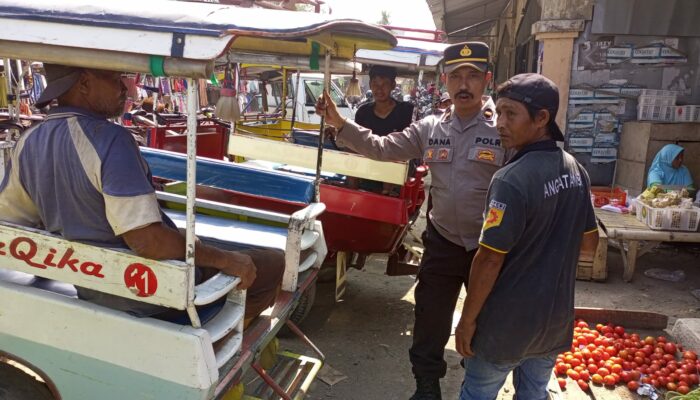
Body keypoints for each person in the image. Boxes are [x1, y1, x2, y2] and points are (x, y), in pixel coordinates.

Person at [0, 64, 283, 324]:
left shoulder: (27, 141)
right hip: (144, 289)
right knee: (272, 262)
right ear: (84, 83)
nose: (126, 88)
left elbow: (13, 221)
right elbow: (148, 242)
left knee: (209, 245)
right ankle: (215, 348)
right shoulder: (110, 139)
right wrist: (225, 260)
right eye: (116, 79)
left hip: (88, 282)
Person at [317, 42, 505, 400]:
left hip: (489, 248)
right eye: (456, 77)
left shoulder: (504, 127)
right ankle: (427, 386)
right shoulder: (431, 127)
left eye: (473, 76)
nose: (464, 84)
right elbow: (383, 148)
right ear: (445, 80)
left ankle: (476, 383)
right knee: (429, 320)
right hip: (443, 241)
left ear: (486, 81)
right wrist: (340, 124)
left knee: (487, 320)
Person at [454, 73, 600, 400]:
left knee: (478, 393)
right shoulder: (577, 171)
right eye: (499, 113)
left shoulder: (510, 180)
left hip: (505, 325)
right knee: (534, 394)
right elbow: (590, 245)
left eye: (510, 114)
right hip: (552, 322)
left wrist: (467, 322)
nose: (499, 124)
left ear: (542, 119)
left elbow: (490, 258)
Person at [353, 65, 414, 195]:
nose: (379, 89)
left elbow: (410, 147)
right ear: (370, 85)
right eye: (375, 84)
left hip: (397, 176)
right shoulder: (363, 112)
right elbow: (356, 143)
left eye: (384, 84)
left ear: (393, 85)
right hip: (367, 171)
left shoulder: (407, 111)